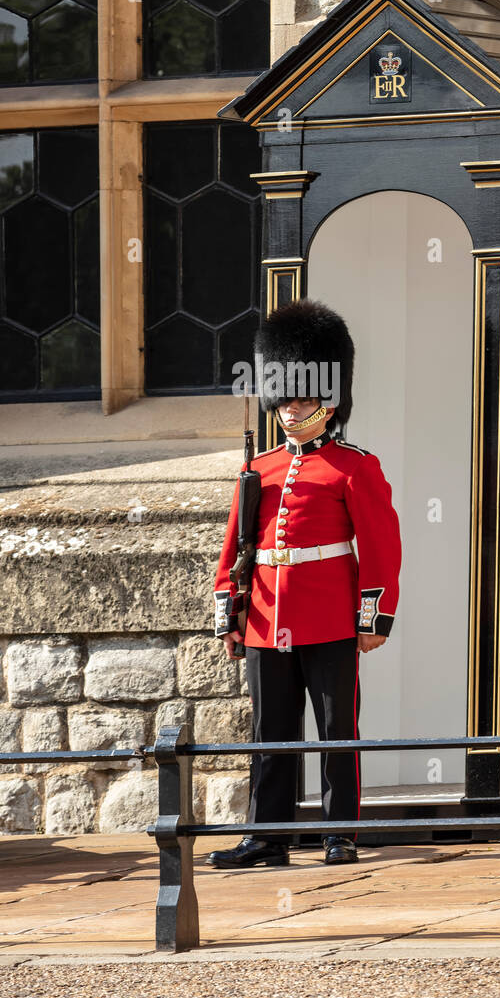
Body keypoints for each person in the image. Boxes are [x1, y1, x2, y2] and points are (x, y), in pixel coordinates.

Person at [208, 298, 402, 869]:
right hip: (268, 619)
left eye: (305, 397)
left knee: (335, 729)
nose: (293, 409)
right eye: (285, 398)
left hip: (329, 616)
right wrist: (232, 616)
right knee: (269, 730)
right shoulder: (261, 469)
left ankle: (339, 832)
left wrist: (372, 618)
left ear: (331, 399)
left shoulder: (353, 466)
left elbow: (382, 548)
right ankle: (268, 836)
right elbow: (236, 550)